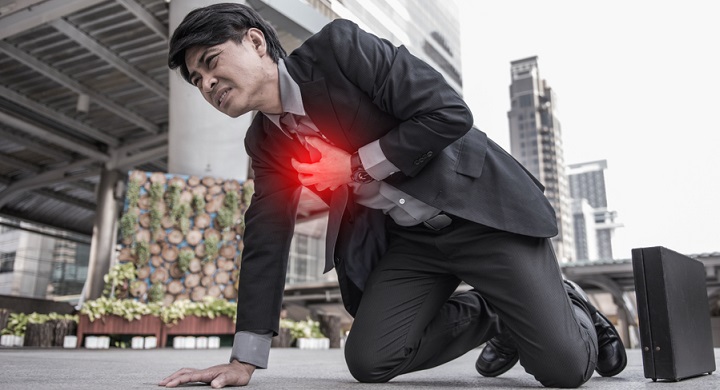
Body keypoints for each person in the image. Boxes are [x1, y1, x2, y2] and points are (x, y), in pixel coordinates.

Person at [160, 3, 626, 389]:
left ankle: (572, 306)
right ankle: (502, 317)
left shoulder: (340, 51)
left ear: (256, 42)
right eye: (196, 81)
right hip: (412, 244)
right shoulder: (264, 142)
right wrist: (244, 360)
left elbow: (447, 113)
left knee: (563, 370)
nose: (206, 84)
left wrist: (356, 165)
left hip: (479, 214)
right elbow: (267, 238)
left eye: (211, 62)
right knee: (369, 361)